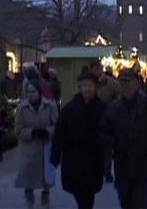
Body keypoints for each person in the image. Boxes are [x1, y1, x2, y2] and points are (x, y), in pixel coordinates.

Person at [99, 68, 147, 209]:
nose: (125, 85)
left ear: (137, 84)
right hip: (122, 164)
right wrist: (113, 142)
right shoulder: (114, 108)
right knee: (125, 202)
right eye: (122, 82)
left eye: (128, 82)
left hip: (142, 163)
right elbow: (102, 131)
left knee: (140, 203)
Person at [51, 72, 106, 209]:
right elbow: (59, 133)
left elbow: (110, 130)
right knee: (79, 192)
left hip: (94, 159)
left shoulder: (103, 108)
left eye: (91, 86)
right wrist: (55, 155)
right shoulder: (70, 109)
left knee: (88, 194)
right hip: (73, 159)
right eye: (84, 86)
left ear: (96, 88)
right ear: (80, 88)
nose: (87, 89)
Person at [15, 80, 58, 208]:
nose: (30, 94)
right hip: (28, 148)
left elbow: (57, 125)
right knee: (27, 174)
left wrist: (48, 132)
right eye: (28, 92)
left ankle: (45, 198)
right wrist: (31, 133)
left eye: (33, 91)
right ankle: (29, 198)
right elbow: (18, 129)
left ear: (39, 92)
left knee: (46, 174)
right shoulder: (21, 108)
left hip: (45, 146)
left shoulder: (50, 106)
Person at [89, 59, 119, 183]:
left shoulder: (111, 83)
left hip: (107, 119)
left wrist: (112, 108)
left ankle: (106, 170)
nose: (96, 71)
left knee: (107, 147)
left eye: (98, 69)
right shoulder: (87, 83)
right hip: (90, 119)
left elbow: (118, 97)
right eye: (94, 69)